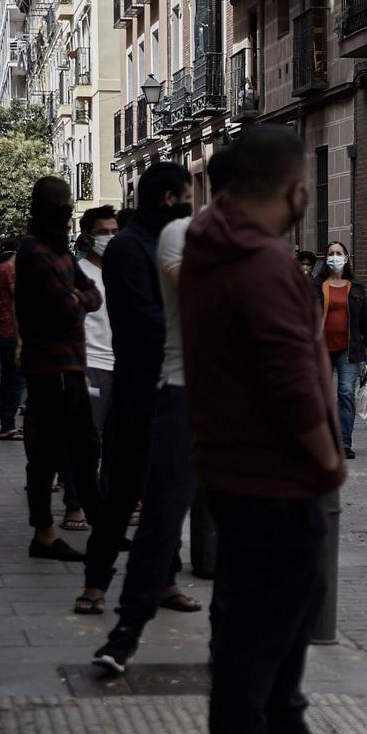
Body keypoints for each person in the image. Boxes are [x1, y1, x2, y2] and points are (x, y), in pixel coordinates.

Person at [178, 125, 345, 734]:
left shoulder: (207, 247)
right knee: (265, 672)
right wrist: (329, 463)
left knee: (248, 653)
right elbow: (290, 384)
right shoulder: (265, 262)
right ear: (296, 192)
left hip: (231, 476)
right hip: (279, 484)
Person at [92, 151, 235, 673]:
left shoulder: (217, 241)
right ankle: (117, 618)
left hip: (216, 399)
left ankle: (226, 640)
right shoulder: (174, 239)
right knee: (143, 503)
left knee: (232, 525)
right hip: (160, 389)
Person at [75, 163, 193, 615]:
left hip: (175, 387)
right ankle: (96, 584)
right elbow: (145, 320)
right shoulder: (129, 247)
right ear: (167, 199)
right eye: (186, 196)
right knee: (124, 491)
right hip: (139, 387)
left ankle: (165, 580)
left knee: (168, 492)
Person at [15, 177, 103, 563]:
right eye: (65, 207)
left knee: (86, 447)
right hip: (49, 366)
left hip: (70, 363)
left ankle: (100, 524)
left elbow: (92, 297)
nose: (70, 214)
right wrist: (75, 299)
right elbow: (67, 310)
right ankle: (44, 534)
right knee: (48, 451)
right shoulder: (34, 251)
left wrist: (75, 297)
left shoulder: (60, 252)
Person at [61, 206, 119, 530]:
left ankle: (108, 503)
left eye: (114, 232)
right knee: (86, 440)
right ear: (87, 237)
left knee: (116, 442)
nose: (110, 238)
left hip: (123, 366)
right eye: (103, 233)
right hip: (91, 366)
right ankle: (74, 505)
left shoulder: (123, 271)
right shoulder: (78, 274)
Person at [315, 241, 367, 460]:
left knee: (345, 393)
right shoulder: (317, 285)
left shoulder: (356, 287)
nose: (334, 257)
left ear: (347, 257)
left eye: (338, 253)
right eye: (330, 253)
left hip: (349, 350)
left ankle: (344, 443)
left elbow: (365, 320)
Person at [0, 238, 24, 440]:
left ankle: (7, 424)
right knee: (16, 380)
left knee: (8, 380)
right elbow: (20, 299)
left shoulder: (0, 270)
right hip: (13, 332)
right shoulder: (10, 272)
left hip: (3, 329)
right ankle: (9, 424)